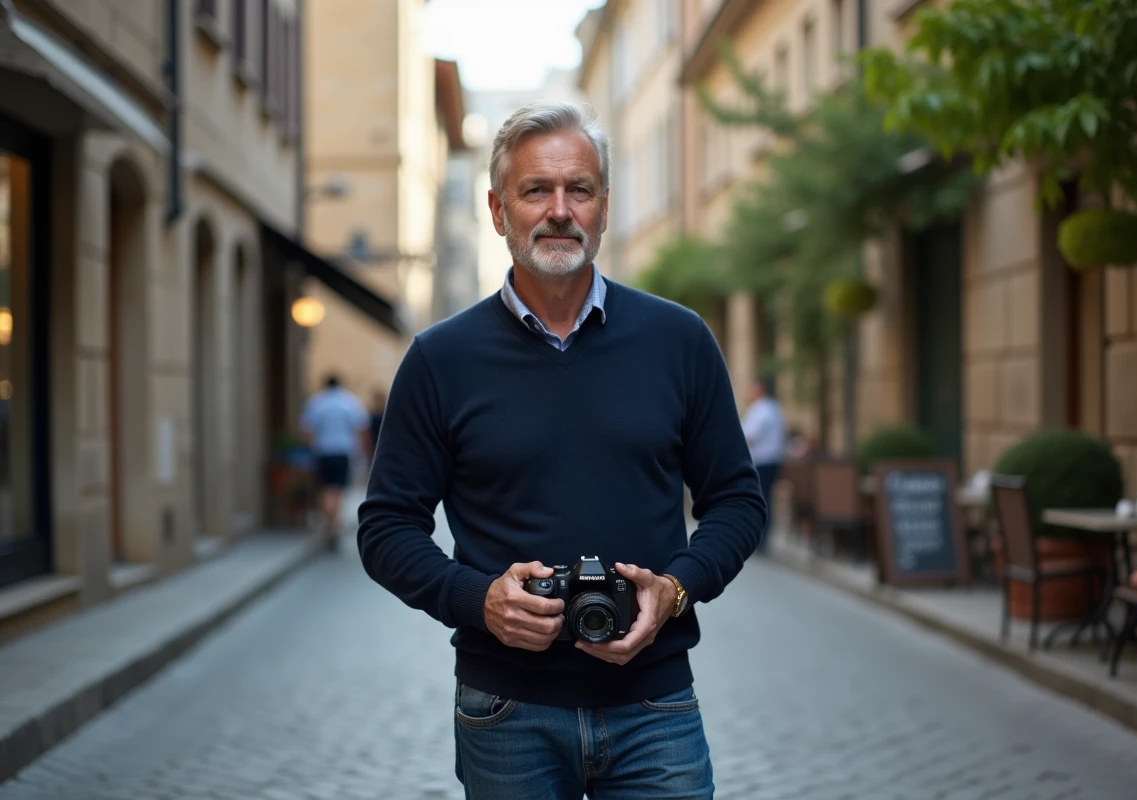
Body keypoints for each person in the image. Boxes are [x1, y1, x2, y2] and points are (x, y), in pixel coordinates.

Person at [358, 101, 765, 800]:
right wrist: (479, 598)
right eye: (535, 190)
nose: (559, 211)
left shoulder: (679, 340)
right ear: (497, 210)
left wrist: (675, 590)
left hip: (654, 704)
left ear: (604, 207)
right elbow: (386, 528)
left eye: (579, 189)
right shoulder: (440, 359)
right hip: (505, 711)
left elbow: (737, 501)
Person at [300, 375, 371, 550]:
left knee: (326, 489)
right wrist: (364, 454)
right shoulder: (349, 402)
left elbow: (307, 430)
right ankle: (333, 526)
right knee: (336, 490)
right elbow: (361, 429)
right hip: (343, 452)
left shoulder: (316, 402)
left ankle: (331, 524)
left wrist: (312, 448)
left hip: (323, 452)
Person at [742, 375, 788, 554]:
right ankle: (761, 538)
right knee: (765, 499)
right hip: (770, 461)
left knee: (759, 500)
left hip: (762, 461)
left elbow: (750, 436)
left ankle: (759, 539)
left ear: (759, 390)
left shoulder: (762, 410)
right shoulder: (773, 408)